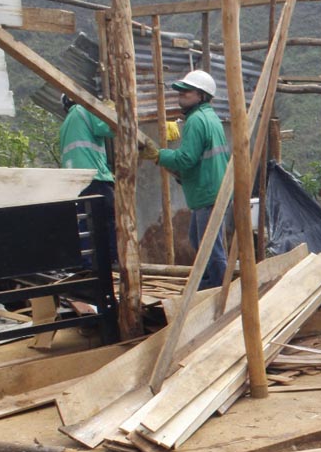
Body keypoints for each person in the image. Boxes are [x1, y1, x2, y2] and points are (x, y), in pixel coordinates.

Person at [139, 69, 230, 290]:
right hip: (213, 189)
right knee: (198, 240)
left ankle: (220, 288)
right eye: (181, 91)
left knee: (208, 245)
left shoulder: (196, 121)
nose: (181, 96)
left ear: (202, 95)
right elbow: (202, 160)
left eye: (187, 92)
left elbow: (186, 158)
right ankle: (211, 283)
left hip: (207, 192)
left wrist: (158, 155)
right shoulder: (211, 118)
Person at [58, 93, 117, 263]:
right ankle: (113, 261)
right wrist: (108, 111)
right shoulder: (84, 110)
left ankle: (88, 265)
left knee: (85, 222)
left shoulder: (65, 125)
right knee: (109, 219)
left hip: (74, 182)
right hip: (94, 177)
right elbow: (111, 127)